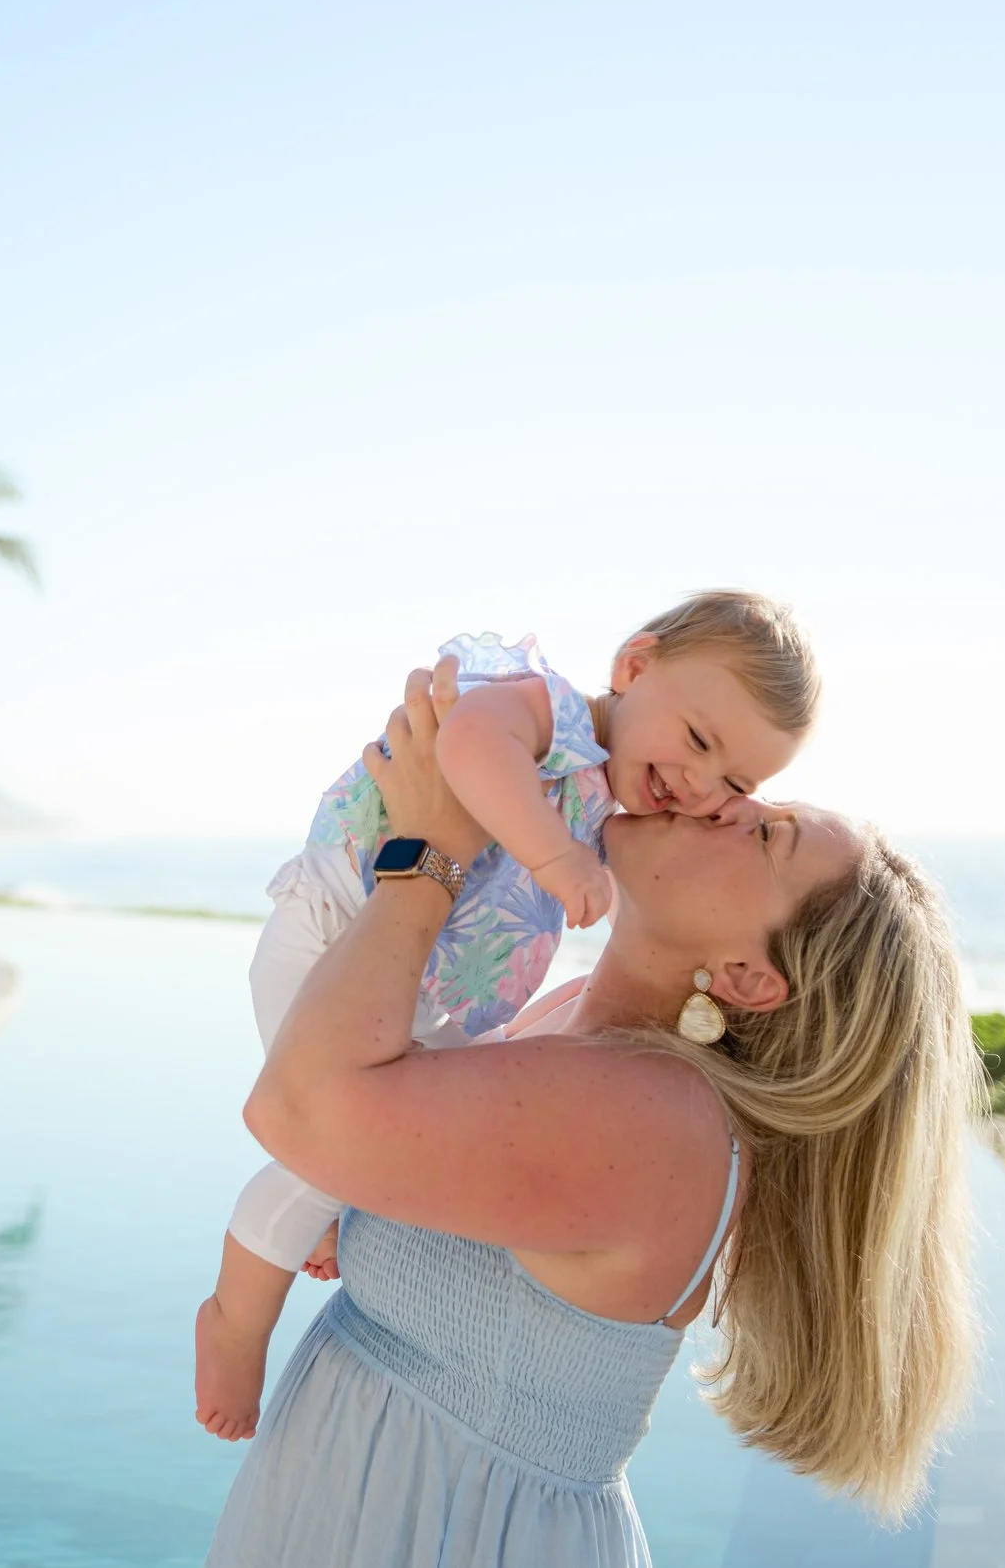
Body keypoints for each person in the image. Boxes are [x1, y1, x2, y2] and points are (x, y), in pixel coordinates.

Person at [203, 660, 980, 1566]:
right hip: (362, 1494)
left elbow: (299, 1108)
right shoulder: (559, 1017)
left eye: (765, 833)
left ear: (746, 978)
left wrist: (429, 846)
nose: (724, 801)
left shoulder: (657, 1118)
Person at [196, 592, 821, 1440]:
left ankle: (337, 1206)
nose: (705, 790)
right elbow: (468, 744)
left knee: (354, 1144)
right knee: (317, 1157)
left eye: (739, 785)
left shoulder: (606, 802)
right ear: (633, 668)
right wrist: (555, 855)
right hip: (338, 922)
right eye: (701, 742)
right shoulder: (552, 709)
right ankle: (234, 1323)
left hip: (400, 972)